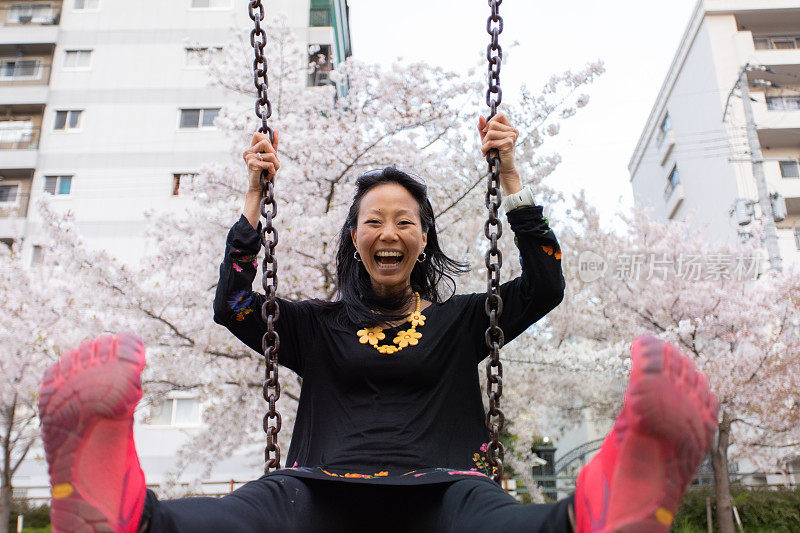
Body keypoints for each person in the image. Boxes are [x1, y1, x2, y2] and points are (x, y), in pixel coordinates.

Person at [38, 115, 718, 533]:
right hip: (318, 490)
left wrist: (511, 175)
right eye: (374, 219)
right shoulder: (314, 324)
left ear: (423, 238)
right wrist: (253, 198)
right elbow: (235, 306)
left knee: (501, 523)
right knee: (249, 514)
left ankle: (600, 511)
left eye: (404, 220)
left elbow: (545, 284)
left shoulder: (461, 320)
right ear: (355, 237)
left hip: (446, 489)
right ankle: (125, 514)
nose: (388, 230)